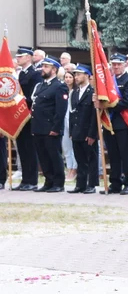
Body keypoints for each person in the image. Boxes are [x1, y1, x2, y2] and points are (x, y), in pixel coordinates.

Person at [30, 57, 68, 192]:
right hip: (38, 127)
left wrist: (56, 128)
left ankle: (58, 183)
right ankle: (48, 181)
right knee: (43, 156)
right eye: (43, 66)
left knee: (54, 156)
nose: (43, 69)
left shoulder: (59, 86)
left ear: (54, 70)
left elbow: (60, 110)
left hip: (51, 127)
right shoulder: (40, 85)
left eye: (46, 67)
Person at [101, 54, 128, 194]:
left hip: (122, 122)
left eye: (119, 64)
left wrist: (106, 104)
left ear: (125, 65)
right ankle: (115, 183)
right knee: (113, 155)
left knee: (125, 155)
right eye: (113, 64)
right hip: (109, 122)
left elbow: (126, 102)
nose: (116, 67)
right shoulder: (108, 81)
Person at [67, 64, 99, 194]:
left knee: (91, 159)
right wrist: (71, 131)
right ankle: (80, 184)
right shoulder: (74, 92)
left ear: (87, 75)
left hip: (87, 131)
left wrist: (92, 134)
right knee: (79, 159)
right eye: (75, 74)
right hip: (76, 131)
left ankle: (91, 184)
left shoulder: (92, 92)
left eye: (79, 74)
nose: (76, 77)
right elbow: (72, 113)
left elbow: (94, 116)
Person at [14, 47, 42, 191]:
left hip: (29, 116)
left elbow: (34, 96)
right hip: (19, 116)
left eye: (21, 56)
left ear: (29, 57)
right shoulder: (20, 74)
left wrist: (21, 101)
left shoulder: (35, 74)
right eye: (17, 56)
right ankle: (25, 179)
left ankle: (32, 180)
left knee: (30, 149)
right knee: (22, 149)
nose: (18, 58)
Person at [61, 70, 77, 181]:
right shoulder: (62, 90)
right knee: (66, 146)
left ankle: (74, 169)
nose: (67, 79)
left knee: (74, 147)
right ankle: (69, 167)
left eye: (70, 77)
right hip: (63, 119)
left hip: (72, 120)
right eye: (66, 77)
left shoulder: (76, 91)